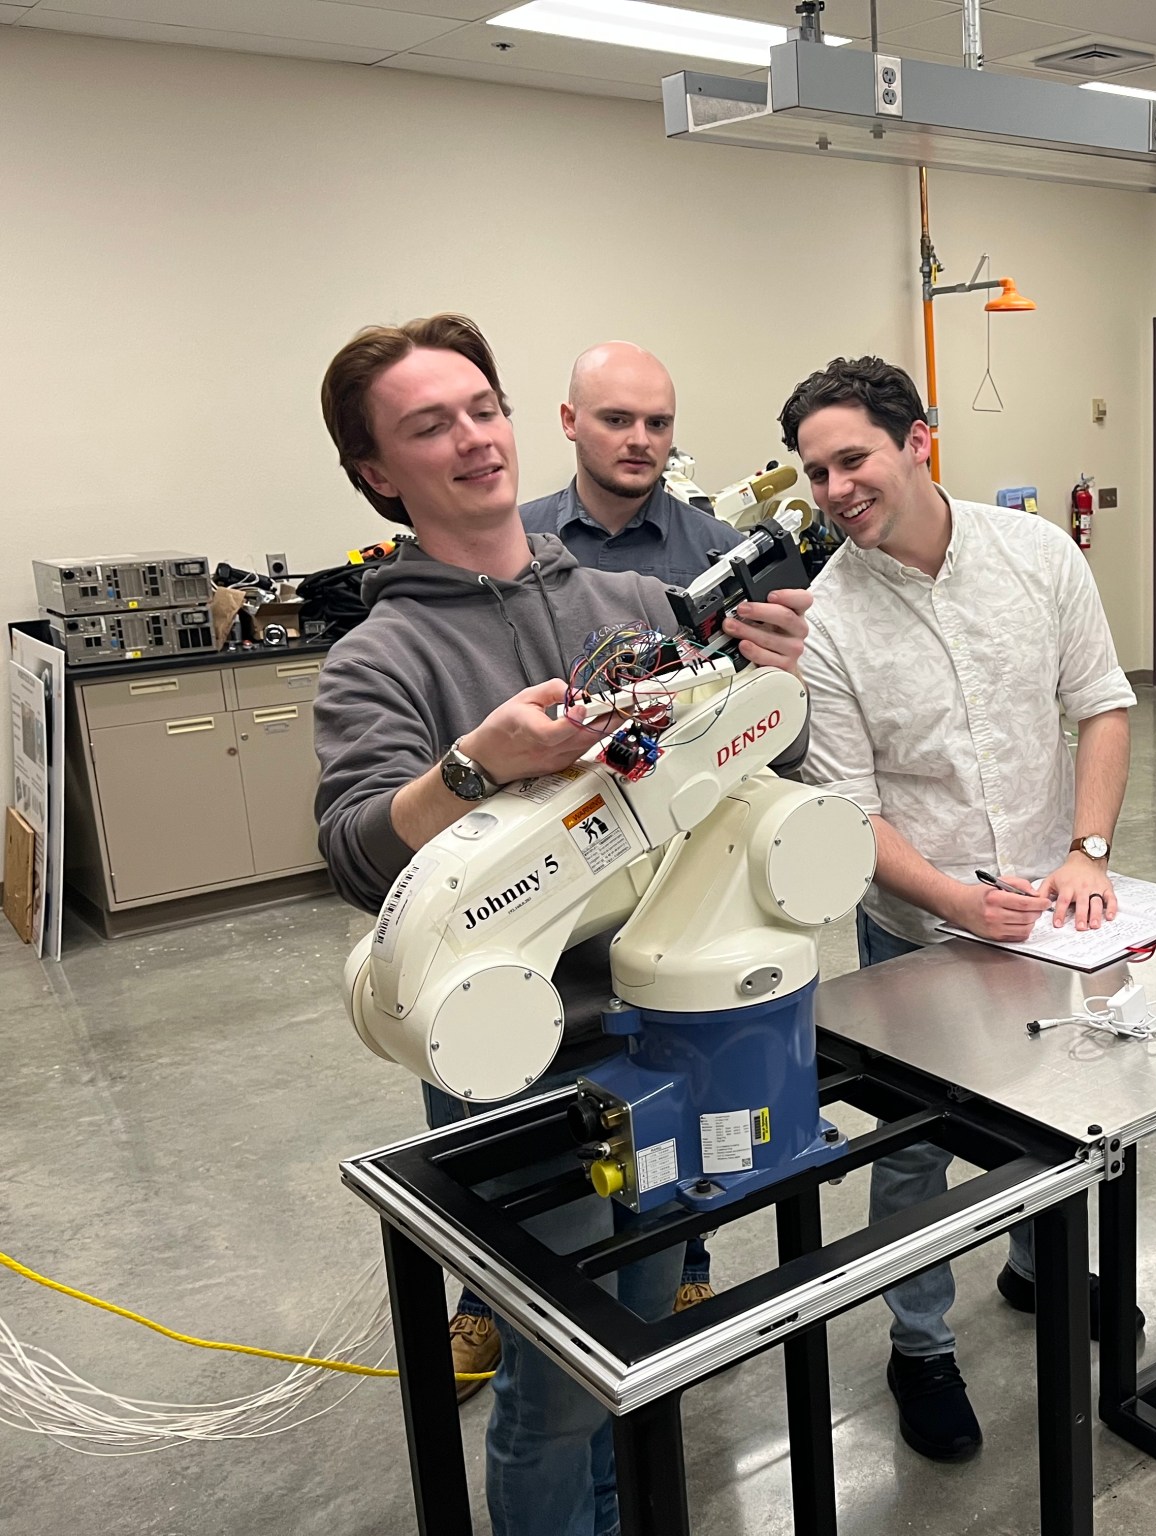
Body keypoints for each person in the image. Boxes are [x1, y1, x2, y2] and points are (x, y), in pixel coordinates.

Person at [313, 313, 811, 1536]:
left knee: (639, 1337)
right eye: (429, 426)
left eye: (481, 407)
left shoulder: (632, 596)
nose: (471, 438)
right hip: (515, 1061)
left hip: (671, 1024)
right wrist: (475, 767)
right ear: (378, 471)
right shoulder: (381, 657)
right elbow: (353, 855)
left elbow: (753, 764)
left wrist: (779, 681)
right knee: (553, 1384)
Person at [781, 356, 1136, 1463]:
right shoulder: (825, 619)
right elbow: (844, 808)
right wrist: (948, 900)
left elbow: (1103, 708)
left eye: (853, 458)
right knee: (912, 1147)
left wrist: (1084, 851)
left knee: (1057, 1104)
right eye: (815, 472)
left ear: (917, 440)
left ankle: (1036, 1266)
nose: (835, 488)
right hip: (913, 924)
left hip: (1051, 909)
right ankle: (919, 1342)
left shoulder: (1035, 556)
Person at [518, 340, 747, 586]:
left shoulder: (729, 556)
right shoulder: (514, 539)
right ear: (570, 421)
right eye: (617, 420)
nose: (640, 441)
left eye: (657, 424)